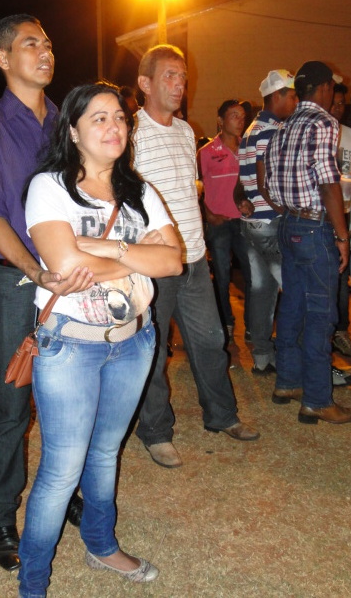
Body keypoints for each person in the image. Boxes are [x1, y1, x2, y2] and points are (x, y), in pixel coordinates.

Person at [18, 82, 182, 596]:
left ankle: (100, 543)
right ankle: (33, 583)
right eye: (99, 118)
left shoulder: (141, 191)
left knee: (106, 452)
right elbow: (65, 264)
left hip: (134, 341)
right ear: (73, 131)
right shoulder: (49, 187)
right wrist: (137, 253)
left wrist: (106, 248)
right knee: (61, 470)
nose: (115, 127)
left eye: (120, 118)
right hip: (70, 344)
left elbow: (174, 262)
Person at [0, 14, 91, 573]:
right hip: (19, 283)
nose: (45, 52)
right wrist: (36, 273)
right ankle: (0, 513)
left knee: (70, 397)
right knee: (12, 400)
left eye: (48, 43)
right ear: (3, 58)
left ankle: (63, 492)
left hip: (74, 277)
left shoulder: (67, 122)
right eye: (30, 44)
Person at [133, 44, 260, 470]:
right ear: (145, 83)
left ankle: (222, 415)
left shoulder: (188, 132)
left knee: (210, 341)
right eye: (169, 76)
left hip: (192, 259)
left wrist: (199, 247)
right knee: (153, 350)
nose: (180, 85)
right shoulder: (130, 133)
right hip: (155, 263)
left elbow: (188, 193)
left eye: (183, 77)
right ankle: (156, 431)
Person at [264, 60, 351, 425]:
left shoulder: (283, 127)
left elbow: (268, 181)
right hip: (315, 229)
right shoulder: (323, 122)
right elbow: (327, 180)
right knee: (320, 314)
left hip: (289, 223)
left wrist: (290, 209)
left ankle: (288, 382)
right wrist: (342, 235)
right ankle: (317, 399)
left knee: (292, 306)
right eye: (332, 88)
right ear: (324, 88)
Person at [235, 70, 297, 375]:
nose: (296, 102)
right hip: (270, 222)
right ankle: (296, 358)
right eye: (292, 96)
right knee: (296, 290)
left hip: (252, 224)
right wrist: (283, 209)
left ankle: (262, 357)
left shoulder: (251, 130)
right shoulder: (271, 130)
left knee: (261, 291)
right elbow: (264, 180)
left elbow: (245, 180)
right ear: (277, 96)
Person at [198, 99, 251, 342]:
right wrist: (209, 215)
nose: (240, 121)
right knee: (221, 275)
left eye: (242, 116)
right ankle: (226, 321)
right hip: (219, 223)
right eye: (234, 116)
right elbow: (195, 188)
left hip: (244, 222)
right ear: (220, 120)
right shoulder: (206, 152)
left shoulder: (248, 149)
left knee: (252, 275)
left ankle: (252, 324)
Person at [330, 83, 351, 357]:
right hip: (320, 216)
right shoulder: (317, 134)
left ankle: (341, 330)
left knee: (341, 274)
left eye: (341, 104)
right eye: (334, 102)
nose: (338, 108)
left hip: (347, 214)